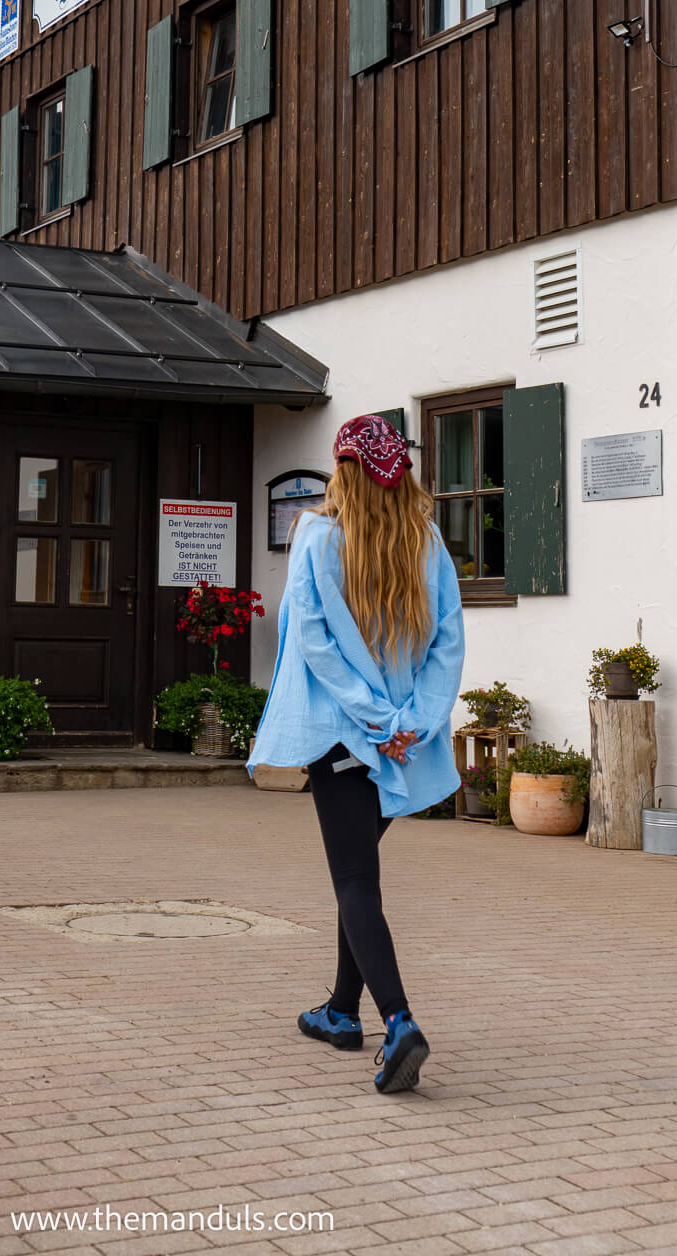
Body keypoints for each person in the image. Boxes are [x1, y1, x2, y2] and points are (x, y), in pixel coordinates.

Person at [248, 414, 464, 1094]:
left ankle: (398, 1022)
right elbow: (447, 646)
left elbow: (315, 643)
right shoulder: (428, 543)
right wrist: (414, 724)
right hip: (400, 744)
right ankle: (341, 1012)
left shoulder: (316, 536)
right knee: (359, 873)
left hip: (343, 736)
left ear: (342, 470)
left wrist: (376, 719)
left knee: (354, 881)